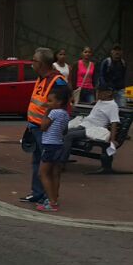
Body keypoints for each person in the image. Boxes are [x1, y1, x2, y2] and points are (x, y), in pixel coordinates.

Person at [20, 47, 70, 205]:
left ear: (41, 64)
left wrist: (49, 121)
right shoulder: (41, 77)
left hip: (46, 128)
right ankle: (38, 193)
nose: (31, 63)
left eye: (33, 60)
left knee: (47, 165)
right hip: (35, 126)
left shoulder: (57, 81)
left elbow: (62, 105)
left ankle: (49, 197)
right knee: (36, 161)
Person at [36, 85, 72, 212]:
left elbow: (43, 127)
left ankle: (52, 202)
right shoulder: (66, 114)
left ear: (59, 102)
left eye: (50, 101)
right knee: (55, 173)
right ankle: (54, 197)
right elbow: (65, 130)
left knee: (43, 173)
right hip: (59, 144)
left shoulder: (54, 112)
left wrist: (46, 113)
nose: (48, 103)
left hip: (50, 145)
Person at [66, 84, 121, 149]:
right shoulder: (101, 101)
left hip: (94, 129)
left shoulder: (112, 106)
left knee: (69, 136)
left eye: (100, 92)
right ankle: (60, 155)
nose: (97, 94)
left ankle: (62, 158)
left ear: (109, 93)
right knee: (65, 132)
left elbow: (114, 123)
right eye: (97, 92)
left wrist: (112, 140)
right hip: (86, 124)